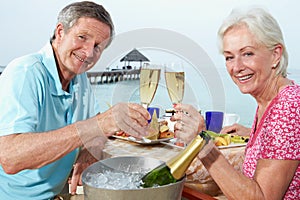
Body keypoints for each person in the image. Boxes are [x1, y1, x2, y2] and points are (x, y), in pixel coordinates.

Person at [0, 1, 150, 199]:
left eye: (97, 46)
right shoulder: (25, 72)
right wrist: (97, 126)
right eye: (82, 38)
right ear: (60, 32)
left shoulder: (79, 78)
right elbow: (10, 158)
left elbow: (97, 126)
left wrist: (90, 148)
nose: (88, 53)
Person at [172, 7, 299, 199]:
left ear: (275, 55)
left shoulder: (287, 106)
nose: (237, 67)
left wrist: (202, 143)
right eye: (229, 57)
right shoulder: (270, 101)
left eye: (247, 54)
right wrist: (253, 133)